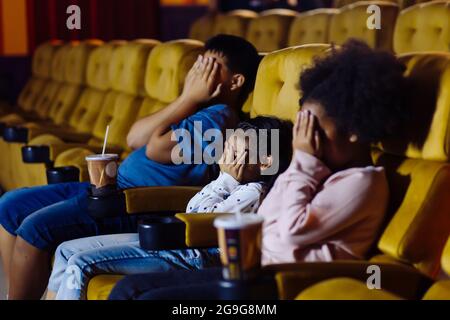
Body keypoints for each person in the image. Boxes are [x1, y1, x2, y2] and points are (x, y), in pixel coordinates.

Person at [108, 39, 410, 300]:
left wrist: (304, 162)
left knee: (139, 296)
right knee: (130, 289)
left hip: (274, 288)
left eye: (313, 128)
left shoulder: (361, 182)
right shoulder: (319, 171)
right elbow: (268, 218)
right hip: (247, 274)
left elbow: (291, 233)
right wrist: (302, 166)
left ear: (355, 130)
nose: (303, 139)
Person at [0, 34, 261, 300]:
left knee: (35, 228)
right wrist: (186, 98)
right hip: (111, 188)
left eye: (210, 66)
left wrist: (188, 97)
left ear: (236, 81)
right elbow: (134, 137)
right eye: (199, 63)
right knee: (10, 205)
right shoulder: (195, 109)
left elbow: (155, 149)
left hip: (138, 201)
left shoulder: (218, 118)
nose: (196, 73)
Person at [46, 117, 293, 300]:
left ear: (265, 161)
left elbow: (199, 219)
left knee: (80, 263)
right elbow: (191, 208)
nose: (226, 155)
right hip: (178, 243)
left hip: (197, 256)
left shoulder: (255, 192)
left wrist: (226, 179)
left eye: (236, 150)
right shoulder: (232, 183)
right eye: (228, 147)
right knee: (65, 251)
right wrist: (223, 180)